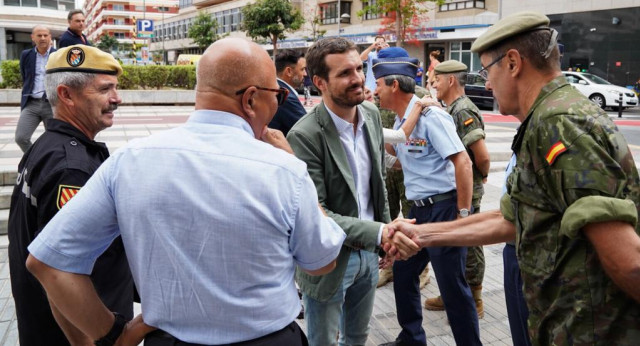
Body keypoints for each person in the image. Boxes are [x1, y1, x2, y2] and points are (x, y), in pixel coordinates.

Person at [25, 38, 347, 346]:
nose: (278, 104)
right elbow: (321, 261)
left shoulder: (130, 160)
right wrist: (295, 167)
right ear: (250, 99)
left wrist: (112, 334)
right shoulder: (284, 170)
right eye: (278, 95)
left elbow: (48, 261)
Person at [386, 11, 640, 345]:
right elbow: (514, 217)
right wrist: (421, 234)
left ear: (513, 63)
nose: (487, 84)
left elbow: (629, 263)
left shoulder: (559, 123)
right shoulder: (547, 117)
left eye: (486, 71)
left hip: (589, 329)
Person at [287, 37, 418, 346]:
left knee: (357, 337)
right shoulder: (304, 135)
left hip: (370, 255)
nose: (359, 79)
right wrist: (382, 232)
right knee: (323, 340)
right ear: (319, 81)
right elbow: (317, 212)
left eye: (360, 68)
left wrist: (383, 243)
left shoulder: (371, 115)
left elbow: (377, 187)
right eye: (345, 73)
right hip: (328, 260)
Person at [8, 45, 133, 346]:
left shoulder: (46, 145)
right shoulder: (71, 169)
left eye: (115, 88)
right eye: (105, 90)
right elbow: (60, 268)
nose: (117, 98)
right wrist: (107, 337)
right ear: (66, 95)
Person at [372, 51, 480, 346]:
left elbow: (464, 163)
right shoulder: (401, 121)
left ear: (394, 85)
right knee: (404, 274)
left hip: (444, 209)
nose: (374, 90)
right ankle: (411, 338)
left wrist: (462, 216)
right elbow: (399, 154)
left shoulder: (433, 117)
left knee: (453, 287)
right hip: (417, 212)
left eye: (378, 84)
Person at [423, 60, 490, 318]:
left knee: (470, 242)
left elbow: (481, 155)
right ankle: (455, 293)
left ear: (451, 80)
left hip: (467, 187)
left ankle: (474, 299)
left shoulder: (462, 110)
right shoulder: (450, 107)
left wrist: (480, 177)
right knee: (459, 244)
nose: (433, 85)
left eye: (436, 80)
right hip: (458, 185)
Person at [375, 47, 431, 290]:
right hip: (388, 165)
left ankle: (420, 268)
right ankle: (388, 263)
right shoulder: (376, 97)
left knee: (412, 218)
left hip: (410, 168)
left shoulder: (419, 96)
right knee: (387, 215)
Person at [16, 25, 56, 153]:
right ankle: (35, 159)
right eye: (39, 35)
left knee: (55, 140)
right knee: (21, 137)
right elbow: (25, 76)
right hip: (31, 104)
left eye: (45, 35)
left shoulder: (58, 55)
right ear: (33, 38)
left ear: (50, 37)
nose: (43, 38)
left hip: (52, 104)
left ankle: (52, 165)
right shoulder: (26, 55)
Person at [268, 49, 308, 136]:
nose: (305, 74)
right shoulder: (286, 98)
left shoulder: (273, 90)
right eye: (302, 69)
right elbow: (310, 130)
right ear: (289, 71)